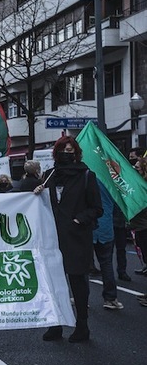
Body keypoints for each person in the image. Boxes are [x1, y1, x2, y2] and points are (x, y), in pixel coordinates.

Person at [35, 136, 102, 343]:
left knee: (78, 283)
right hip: (53, 238)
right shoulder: (49, 176)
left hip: (77, 237)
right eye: (63, 149)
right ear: (56, 152)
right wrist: (35, 194)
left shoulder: (86, 176)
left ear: (77, 153)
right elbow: (42, 206)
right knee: (54, 283)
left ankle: (82, 325)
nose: (67, 153)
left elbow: (97, 208)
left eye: (71, 150)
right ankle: (55, 325)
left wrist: (79, 219)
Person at [92, 182, 123, 310]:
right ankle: (110, 298)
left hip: (88, 226)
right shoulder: (110, 183)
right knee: (106, 264)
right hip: (106, 226)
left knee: (83, 266)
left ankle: (81, 298)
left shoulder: (87, 179)